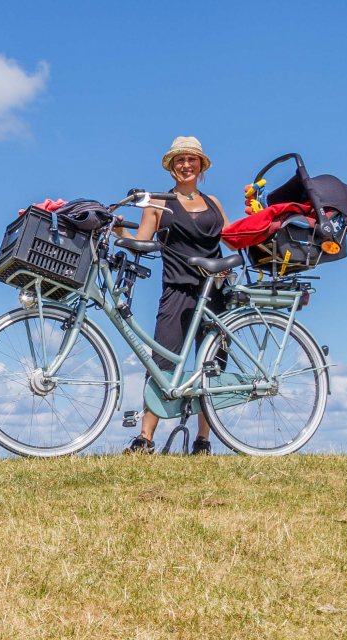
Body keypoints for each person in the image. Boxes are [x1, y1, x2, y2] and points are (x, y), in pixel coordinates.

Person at [121, 136, 230, 455]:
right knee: (161, 361)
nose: (186, 165)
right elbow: (141, 242)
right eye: (179, 160)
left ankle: (203, 440)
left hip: (215, 290)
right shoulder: (158, 204)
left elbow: (234, 238)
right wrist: (118, 231)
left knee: (211, 365)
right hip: (176, 291)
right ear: (171, 167)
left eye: (191, 159)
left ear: (201, 165)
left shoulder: (214, 203)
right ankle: (145, 438)